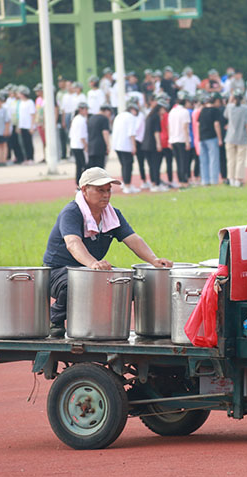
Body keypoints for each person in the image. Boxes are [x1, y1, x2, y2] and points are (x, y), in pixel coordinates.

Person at [42, 167, 173, 338]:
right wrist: (93, 264)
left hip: (90, 270)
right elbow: (73, 243)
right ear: (84, 190)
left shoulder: (113, 214)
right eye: (100, 190)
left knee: (129, 283)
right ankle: (55, 319)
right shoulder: (72, 212)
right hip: (59, 271)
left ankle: (104, 321)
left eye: (108, 190)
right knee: (77, 285)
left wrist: (154, 260)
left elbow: (132, 239)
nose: (106, 195)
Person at [223, 89, 247, 187]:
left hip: (230, 137)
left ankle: (231, 179)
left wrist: (230, 99)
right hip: (241, 136)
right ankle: (238, 180)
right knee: (240, 159)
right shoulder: (245, 108)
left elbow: (226, 116)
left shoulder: (229, 107)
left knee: (231, 159)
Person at [111, 98, 140, 194]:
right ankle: (127, 185)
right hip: (126, 145)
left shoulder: (119, 116)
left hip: (117, 145)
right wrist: (134, 146)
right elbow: (131, 133)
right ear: (133, 109)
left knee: (123, 165)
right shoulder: (130, 117)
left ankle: (125, 183)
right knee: (128, 165)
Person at [198, 93, 223, 186]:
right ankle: (214, 180)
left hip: (202, 137)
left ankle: (205, 180)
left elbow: (198, 124)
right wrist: (220, 138)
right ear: (216, 101)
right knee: (214, 159)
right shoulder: (215, 110)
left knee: (203, 160)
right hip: (212, 136)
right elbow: (216, 124)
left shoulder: (203, 110)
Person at [169, 91, 192, 188]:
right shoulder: (185, 112)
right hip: (182, 139)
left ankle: (180, 181)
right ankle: (184, 181)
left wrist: (169, 140)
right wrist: (187, 142)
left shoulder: (172, 111)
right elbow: (185, 128)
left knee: (178, 162)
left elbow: (169, 126)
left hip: (173, 139)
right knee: (184, 161)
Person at [69, 102, 89, 185]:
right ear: (81, 109)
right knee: (83, 166)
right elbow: (82, 135)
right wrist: (85, 146)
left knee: (79, 166)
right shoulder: (81, 120)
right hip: (79, 146)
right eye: (85, 109)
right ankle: (80, 183)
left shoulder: (75, 119)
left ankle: (79, 184)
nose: (87, 111)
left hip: (74, 145)